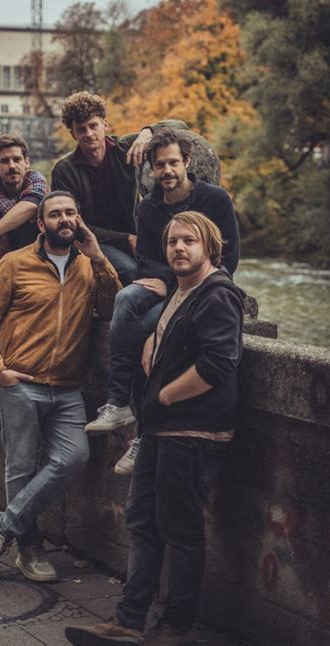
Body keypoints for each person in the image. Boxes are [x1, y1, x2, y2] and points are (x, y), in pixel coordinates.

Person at [65, 211, 245, 646]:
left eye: (189, 241)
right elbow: (174, 335)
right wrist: (152, 338)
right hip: (160, 431)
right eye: (172, 242)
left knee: (182, 531)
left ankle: (176, 628)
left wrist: (163, 396)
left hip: (193, 432)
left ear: (210, 248)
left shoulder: (219, 294)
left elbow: (217, 366)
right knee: (143, 522)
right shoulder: (183, 293)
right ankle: (128, 620)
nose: (179, 248)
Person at [0, 190, 121, 584]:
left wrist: (100, 257)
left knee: (74, 457)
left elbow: (112, 308)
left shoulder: (88, 266)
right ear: (41, 223)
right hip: (20, 382)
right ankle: (29, 549)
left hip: (67, 387)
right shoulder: (14, 264)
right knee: (20, 467)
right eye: (56, 214)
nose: (65, 220)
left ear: (79, 218)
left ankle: (1, 525)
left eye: (71, 213)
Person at [85, 128, 240, 476]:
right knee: (126, 298)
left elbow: (229, 258)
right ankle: (118, 402)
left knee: (151, 332)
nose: (167, 171)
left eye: (173, 163)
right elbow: (146, 261)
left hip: (203, 289)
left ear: (186, 162)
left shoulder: (215, 199)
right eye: (159, 165)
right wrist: (166, 281)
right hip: (163, 285)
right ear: (151, 170)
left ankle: (144, 429)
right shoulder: (151, 208)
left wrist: (178, 281)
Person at [51, 91, 188, 287]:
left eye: (93, 126)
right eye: (81, 129)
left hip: (139, 233)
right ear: (72, 133)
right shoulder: (65, 170)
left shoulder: (125, 148)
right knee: (132, 270)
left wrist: (147, 132)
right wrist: (126, 239)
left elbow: (180, 126)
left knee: (174, 264)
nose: (89, 134)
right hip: (98, 241)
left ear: (105, 124)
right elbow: (76, 223)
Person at [0, 133, 49, 286]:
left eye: (16, 159)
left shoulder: (36, 179)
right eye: (5, 161)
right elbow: (14, 216)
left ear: (26, 162)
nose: (12, 166)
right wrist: (29, 212)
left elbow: (31, 205)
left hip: (36, 266)